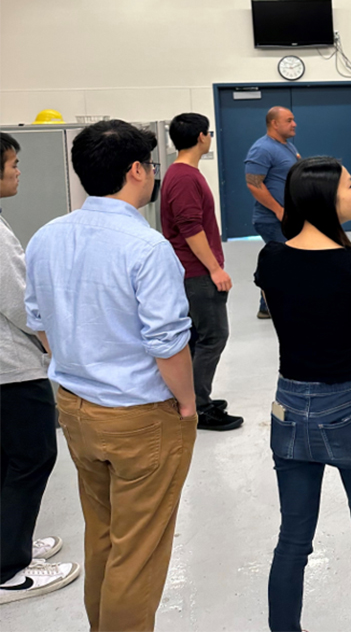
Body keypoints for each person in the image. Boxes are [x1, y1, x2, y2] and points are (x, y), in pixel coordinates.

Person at [24, 120, 197, 631]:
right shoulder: (146, 247)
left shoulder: (46, 236)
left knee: (101, 533)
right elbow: (168, 344)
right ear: (137, 170)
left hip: (76, 409)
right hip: (141, 416)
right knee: (138, 551)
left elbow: (40, 323)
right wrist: (186, 404)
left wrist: (80, 364)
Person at [254, 156, 351, 632]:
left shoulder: (271, 258)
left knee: (293, 538)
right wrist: (342, 370)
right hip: (349, 405)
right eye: (349, 185)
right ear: (325, 198)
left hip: (289, 405)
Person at [0, 132, 80, 603]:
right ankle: (9, 571)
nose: (18, 170)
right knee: (32, 458)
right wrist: (56, 349)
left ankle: (11, 544)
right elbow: (20, 305)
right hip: (13, 369)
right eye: (12, 163)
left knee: (8, 460)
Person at [161, 113, 243, 432]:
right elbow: (190, 228)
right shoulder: (183, 177)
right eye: (208, 132)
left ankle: (192, 397)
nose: (210, 137)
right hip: (196, 272)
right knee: (214, 336)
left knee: (198, 337)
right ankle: (198, 406)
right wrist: (215, 269)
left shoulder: (184, 172)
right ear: (200, 137)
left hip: (192, 269)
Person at [245, 106, 301, 319]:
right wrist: (279, 210)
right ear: (274, 123)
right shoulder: (262, 148)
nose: (294, 124)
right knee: (284, 261)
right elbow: (253, 183)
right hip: (271, 219)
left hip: (287, 217)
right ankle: (274, 306)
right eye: (289, 120)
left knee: (282, 261)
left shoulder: (286, 146)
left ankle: (267, 306)